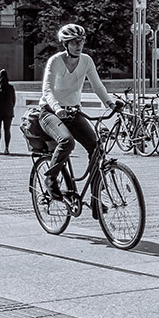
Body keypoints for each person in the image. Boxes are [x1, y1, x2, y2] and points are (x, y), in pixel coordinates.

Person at [39, 23, 117, 199]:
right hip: (50, 112)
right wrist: (57, 109)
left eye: (81, 41)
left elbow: (97, 85)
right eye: (74, 42)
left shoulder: (87, 60)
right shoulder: (56, 61)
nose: (79, 45)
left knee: (97, 148)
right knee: (67, 141)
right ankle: (51, 178)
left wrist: (110, 103)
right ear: (65, 44)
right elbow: (48, 90)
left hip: (74, 112)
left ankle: (96, 197)